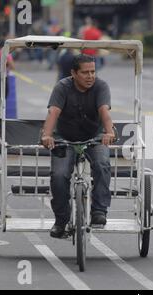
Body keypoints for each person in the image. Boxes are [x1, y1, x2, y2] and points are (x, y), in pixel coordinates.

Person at [41, 54, 116, 238]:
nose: (90, 76)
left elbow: (104, 111)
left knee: (102, 164)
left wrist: (109, 132)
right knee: (58, 175)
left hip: (94, 136)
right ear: (73, 73)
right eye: (85, 72)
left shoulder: (101, 86)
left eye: (93, 71)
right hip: (64, 137)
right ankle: (61, 221)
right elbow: (53, 112)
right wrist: (47, 135)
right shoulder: (62, 87)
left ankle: (99, 211)